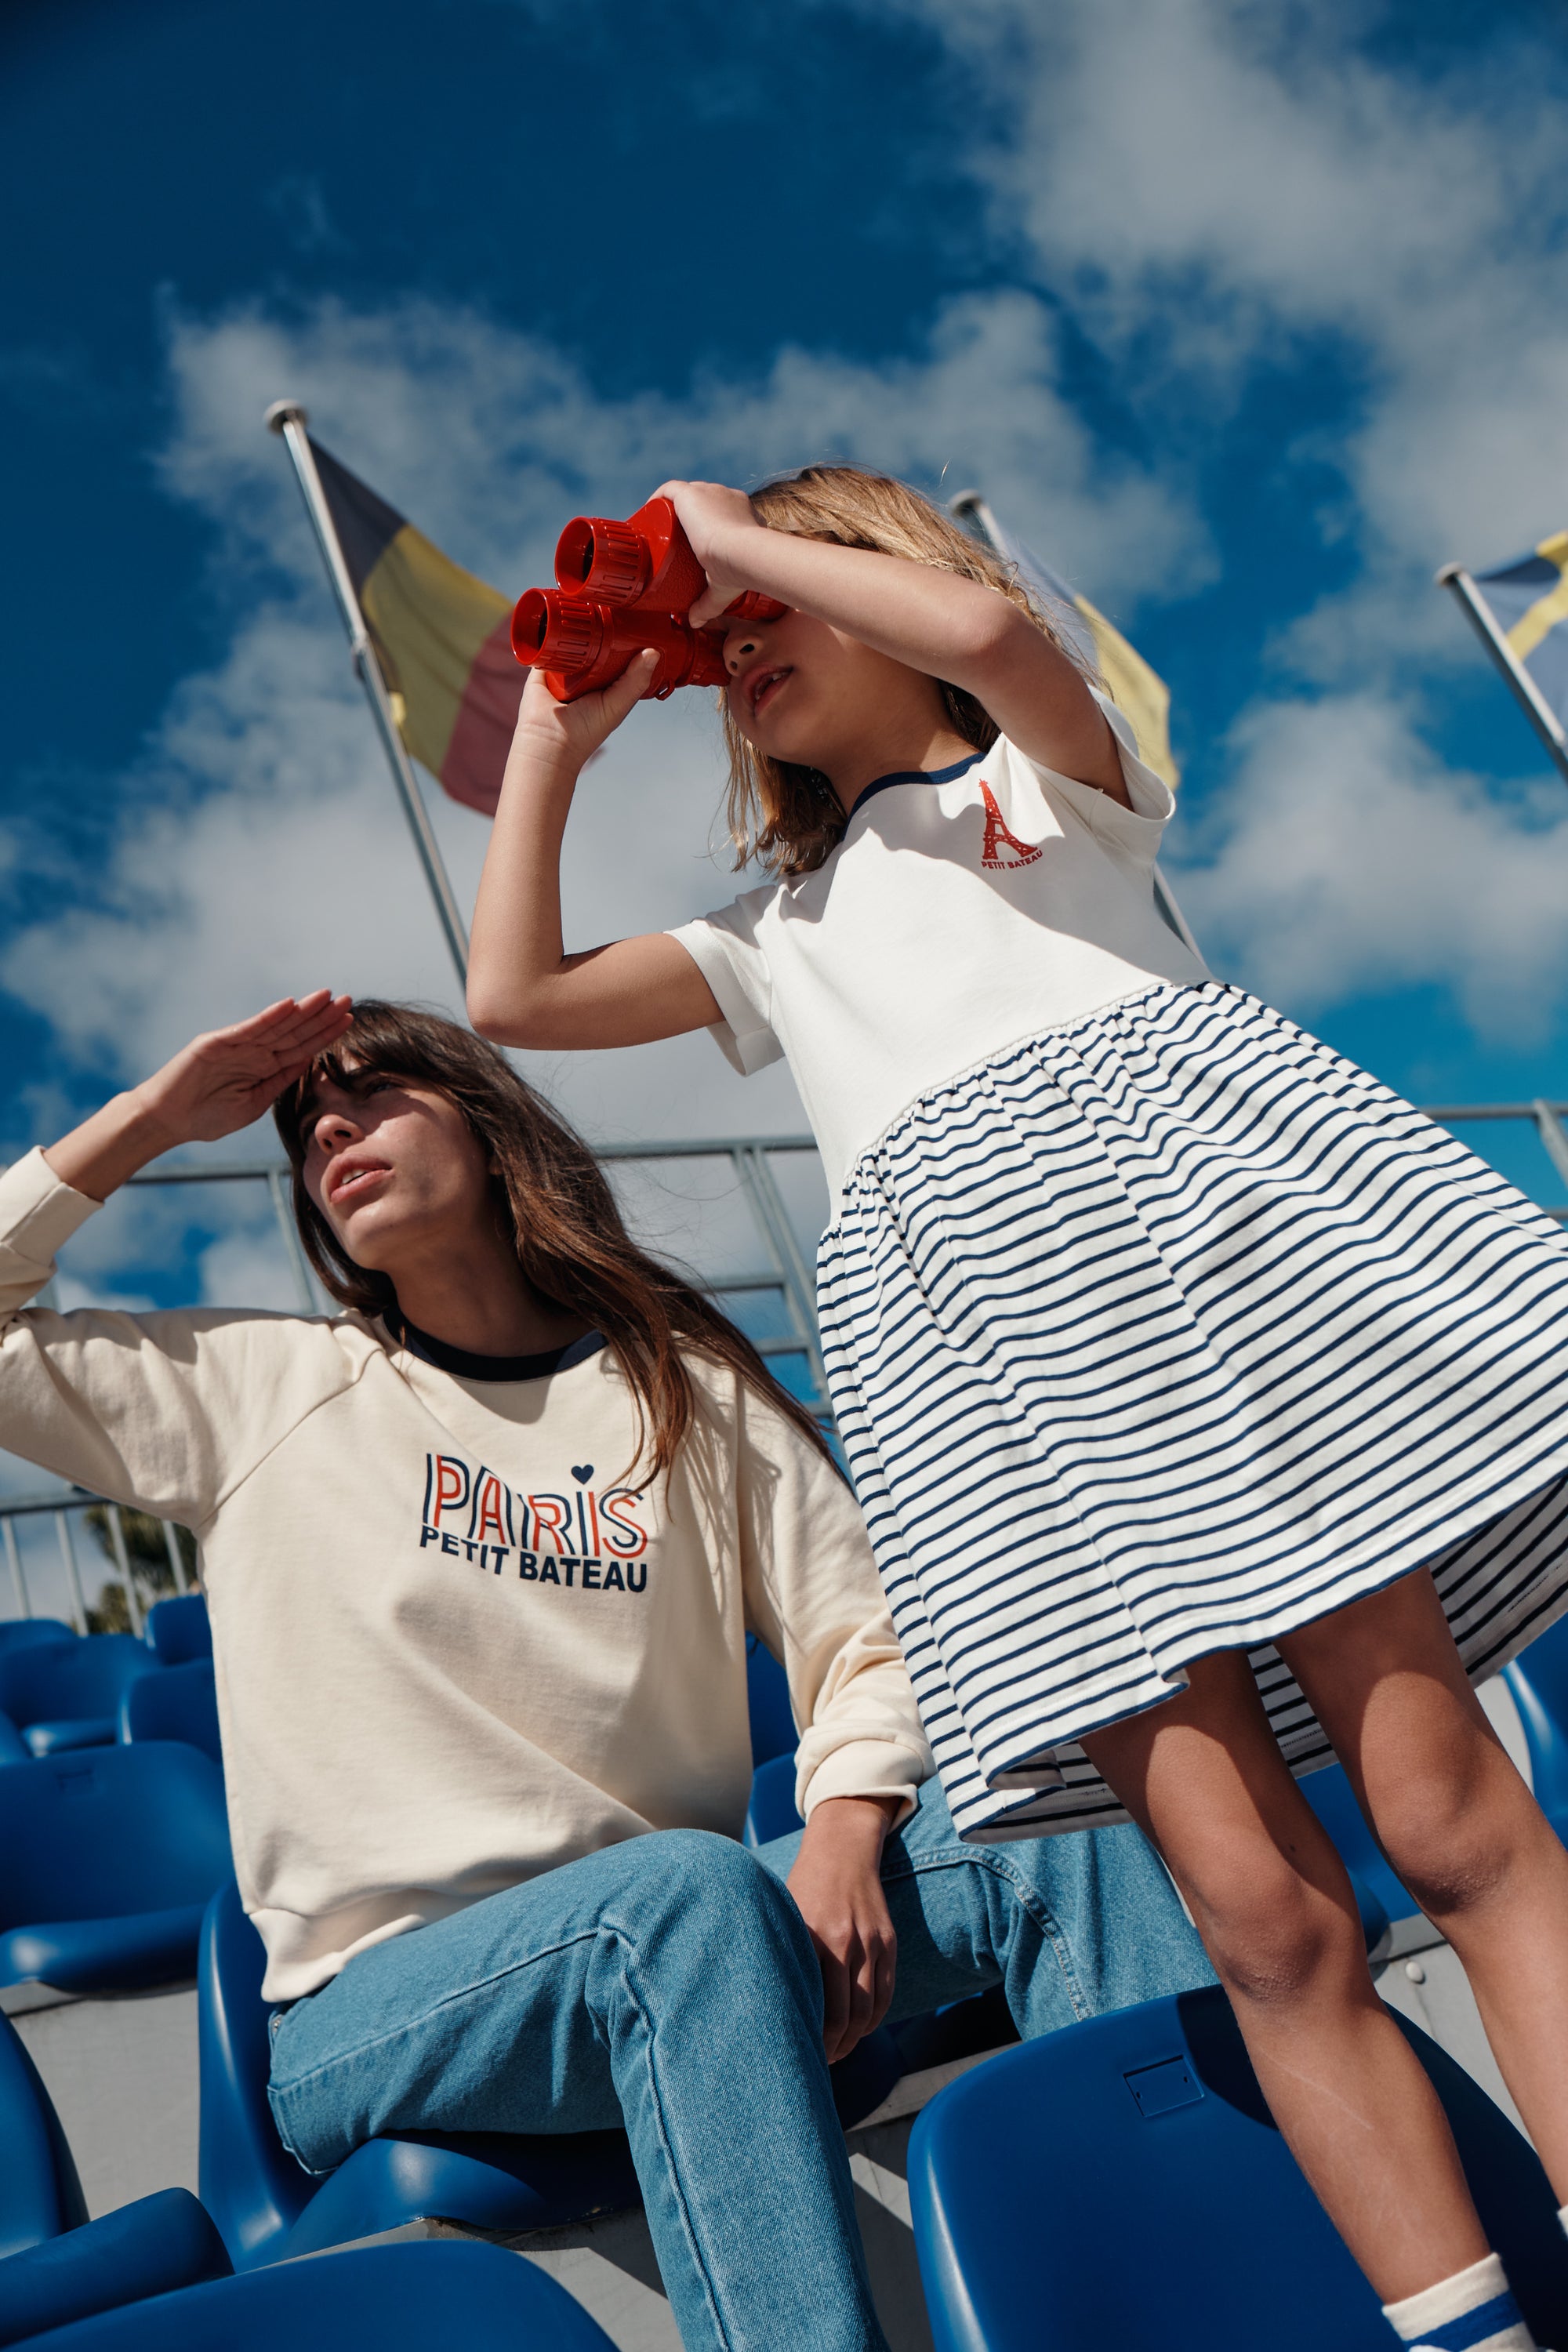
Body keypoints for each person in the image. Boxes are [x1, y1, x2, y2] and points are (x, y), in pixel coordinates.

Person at [467, 463, 1568, 2352]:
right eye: (721, 645)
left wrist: (722, 536)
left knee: (1445, 1812)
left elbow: (988, 632)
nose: (739, 649)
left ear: (878, 581)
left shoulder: (1044, 787)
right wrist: (557, 737)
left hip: (1214, 1318)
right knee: (1258, 1915)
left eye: (775, 612)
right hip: (1008, 1402)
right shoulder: (772, 931)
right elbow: (513, 994)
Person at [0, 993, 1210, 2352]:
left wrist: (844, 1830)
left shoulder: (681, 1389)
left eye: (376, 1087)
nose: (332, 1126)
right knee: (683, 1900)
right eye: (304, 1123)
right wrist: (152, 1118)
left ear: (487, 1125)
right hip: (384, 2005)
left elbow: (867, 1636)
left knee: (1056, 1819)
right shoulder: (262, 1390)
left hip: (693, 1935)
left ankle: (1218, 2291)